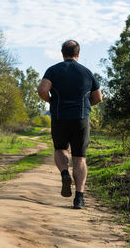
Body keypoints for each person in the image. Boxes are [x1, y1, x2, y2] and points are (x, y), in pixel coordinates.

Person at [37, 40, 102, 209]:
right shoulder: (87, 72)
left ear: (62, 53)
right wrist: (86, 106)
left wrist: (51, 101)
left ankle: (65, 173)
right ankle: (79, 198)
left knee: (60, 149)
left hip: (60, 117)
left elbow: (42, 90)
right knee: (80, 158)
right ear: (78, 54)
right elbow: (98, 98)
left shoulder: (53, 70)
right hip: (81, 118)